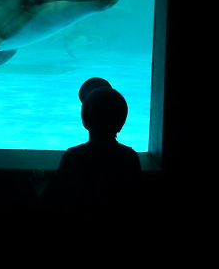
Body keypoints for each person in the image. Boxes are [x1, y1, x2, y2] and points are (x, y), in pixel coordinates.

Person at [31, 77, 143, 240]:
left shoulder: (75, 157)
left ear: (84, 119)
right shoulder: (130, 156)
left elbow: (56, 204)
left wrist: (42, 189)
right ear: (122, 120)